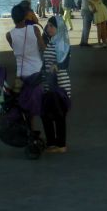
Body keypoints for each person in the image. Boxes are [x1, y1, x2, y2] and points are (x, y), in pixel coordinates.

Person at [40, 15, 72, 153]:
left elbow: (65, 63)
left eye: (52, 26)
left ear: (59, 28)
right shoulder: (51, 41)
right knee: (47, 113)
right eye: (48, 26)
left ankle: (60, 145)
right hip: (48, 82)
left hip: (60, 82)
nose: (49, 28)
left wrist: (56, 66)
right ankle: (53, 143)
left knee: (58, 114)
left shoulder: (62, 43)